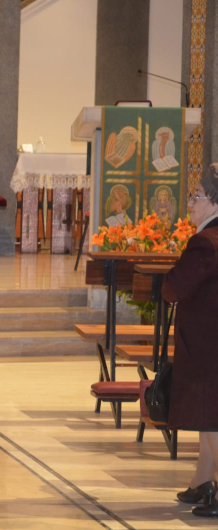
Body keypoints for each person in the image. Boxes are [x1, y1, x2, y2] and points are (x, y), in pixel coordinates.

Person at [163, 165, 218, 519]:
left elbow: (175, 287)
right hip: (208, 343)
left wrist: (168, 282)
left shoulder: (206, 242)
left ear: (213, 202)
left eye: (196, 196)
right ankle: (203, 481)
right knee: (207, 418)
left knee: (213, 420)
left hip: (207, 347)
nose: (190, 203)